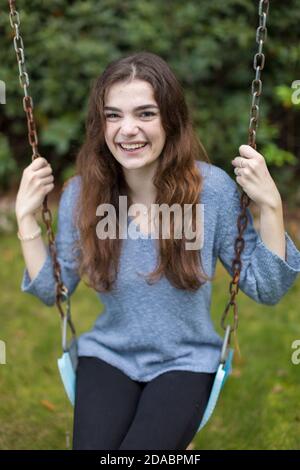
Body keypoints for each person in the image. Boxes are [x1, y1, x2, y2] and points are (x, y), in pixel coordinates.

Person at [15, 52, 300, 450]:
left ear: (170, 119)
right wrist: (26, 219)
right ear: (101, 124)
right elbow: (52, 289)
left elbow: (267, 289)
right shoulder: (83, 194)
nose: (127, 130)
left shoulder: (212, 191)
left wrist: (270, 205)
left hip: (186, 360)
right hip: (108, 355)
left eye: (145, 113)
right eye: (113, 115)